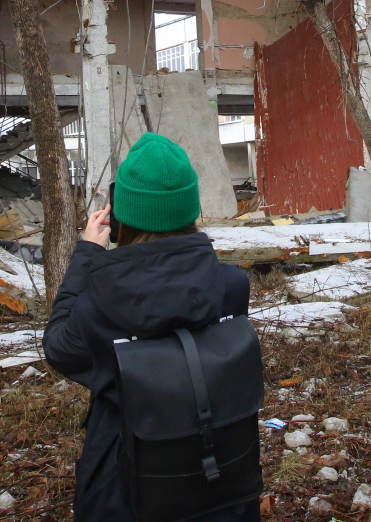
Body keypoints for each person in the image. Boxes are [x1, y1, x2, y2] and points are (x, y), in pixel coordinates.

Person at [42, 133, 260, 522]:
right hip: (223, 479)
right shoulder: (231, 286)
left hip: (127, 488)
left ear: (121, 214)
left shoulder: (98, 305)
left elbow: (59, 347)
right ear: (190, 210)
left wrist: (87, 254)